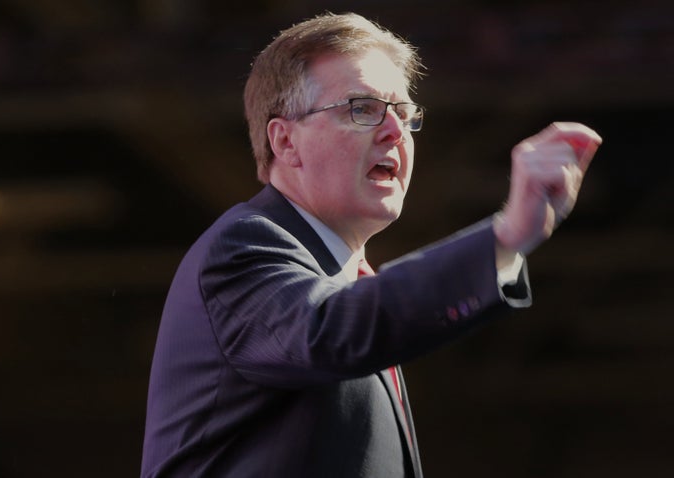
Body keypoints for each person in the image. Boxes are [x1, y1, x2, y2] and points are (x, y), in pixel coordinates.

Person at [140, 12, 601, 478]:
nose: (395, 132)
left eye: (403, 113)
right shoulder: (243, 245)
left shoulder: (346, 277)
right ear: (285, 142)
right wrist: (503, 238)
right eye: (362, 108)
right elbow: (329, 330)